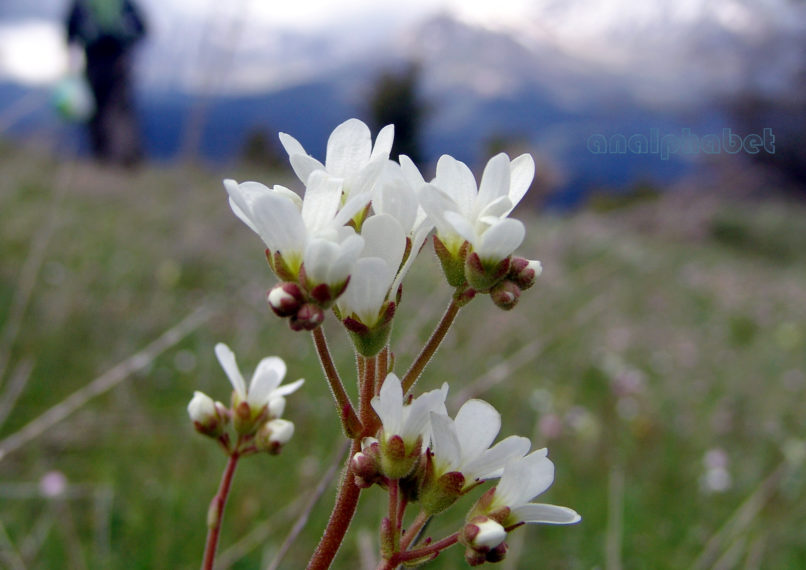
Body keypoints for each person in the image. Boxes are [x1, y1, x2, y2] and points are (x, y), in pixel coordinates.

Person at [66, 0, 147, 167]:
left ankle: (105, 158)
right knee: (119, 108)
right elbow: (142, 28)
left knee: (97, 110)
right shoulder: (121, 4)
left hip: (94, 61)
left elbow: (70, 32)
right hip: (119, 61)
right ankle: (127, 157)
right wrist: (126, 42)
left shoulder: (83, 4)